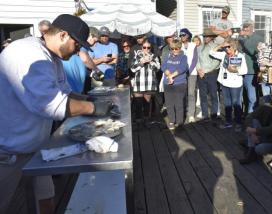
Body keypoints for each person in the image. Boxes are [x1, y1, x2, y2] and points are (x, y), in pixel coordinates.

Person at [0, 14, 113, 214]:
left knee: (46, 198)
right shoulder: (28, 53)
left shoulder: (52, 58)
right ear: (62, 35)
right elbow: (52, 106)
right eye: (77, 45)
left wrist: (91, 100)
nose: (78, 51)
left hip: (33, 149)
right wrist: (95, 109)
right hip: (6, 154)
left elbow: (66, 93)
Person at [239, 86, 272, 164]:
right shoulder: (267, 106)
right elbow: (250, 116)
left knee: (259, 149)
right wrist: (252, 132)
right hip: (263, 135)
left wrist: (253, 131)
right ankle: (251, 152)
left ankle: (250, 145)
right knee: (254, 121)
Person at [210, 39, 247, 130]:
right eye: (225, 47)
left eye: (228, 47)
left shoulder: (240, 56)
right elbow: (211, 52)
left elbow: (245, 70)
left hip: (235, 84)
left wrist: (235, 70)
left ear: (234, 47)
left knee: (236, 103)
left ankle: (238, 123)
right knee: (227, 103)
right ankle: (228, 122)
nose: (227, 49)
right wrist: (221, 45)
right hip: (224, 82)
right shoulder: (224, 55)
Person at [62, 26, 103, 93]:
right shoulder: (81, 44)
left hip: (73, 86)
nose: (94, 45)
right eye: (95, 41)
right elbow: (85, 59)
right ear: (89, 35)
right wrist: (97, 71)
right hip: (72, 86)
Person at [161, 39, 188, 130]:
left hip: (179, 83)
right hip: (168, 83)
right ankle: (172, 121)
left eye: (176, 48)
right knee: (169, 104)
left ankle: (180, 122)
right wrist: (168, 74)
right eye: (172, 48)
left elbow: (183, 68)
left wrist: (171, 76)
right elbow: (163, 66)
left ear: (180, 48)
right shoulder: (168, 56)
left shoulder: (183, 57)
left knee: (179, 104)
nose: (174, 50)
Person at [130, 39, 160, 122]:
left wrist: (150, 61)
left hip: (149, 83)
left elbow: (157, 68)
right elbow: (132, 68)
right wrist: (141, 63)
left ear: (150, 48)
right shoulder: (137, 56)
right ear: (141, 48)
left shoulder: (154, 56)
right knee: (138, 103)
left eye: (148, 47)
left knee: (147, 103)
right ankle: (139, 120)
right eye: (144, 47)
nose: (146, 49)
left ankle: (147, 120)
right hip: (139, 83)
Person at [238, 20, 263, 114]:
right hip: (240, 71)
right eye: (244, 27)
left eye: (247, 28)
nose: (245, 30)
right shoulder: (241, 38)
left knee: (251, 96)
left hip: (251, 71)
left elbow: (252, 51)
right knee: (241, 96)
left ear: (252, 28)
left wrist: (243, 39)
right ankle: (242, 115)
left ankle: (251, 115)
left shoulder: (258, 38)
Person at [196, 28, 221, 120]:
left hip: (212, 74)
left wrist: (205, 71)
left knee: (213, 95)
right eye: (204, 36)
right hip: (201, 74)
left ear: (212, 37)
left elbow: (216, 62)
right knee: (203, 95)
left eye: (208, 36)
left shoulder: (216, 47)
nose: (206, 38)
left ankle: (214, 114)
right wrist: (199, 69)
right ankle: (205, 115)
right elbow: (196, 60)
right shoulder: (199, 47)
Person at [180, 28, 198, 123]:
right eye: (181, 35)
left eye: (183, 35)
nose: (182, 37)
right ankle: (183, 112)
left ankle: (191, 114)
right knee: (183, 93)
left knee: (191, 93)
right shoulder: (179, 46)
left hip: (192, 73)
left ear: (188, 36)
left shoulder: (193, 45)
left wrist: (189, 71)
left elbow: (195, 59)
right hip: (181, 73)